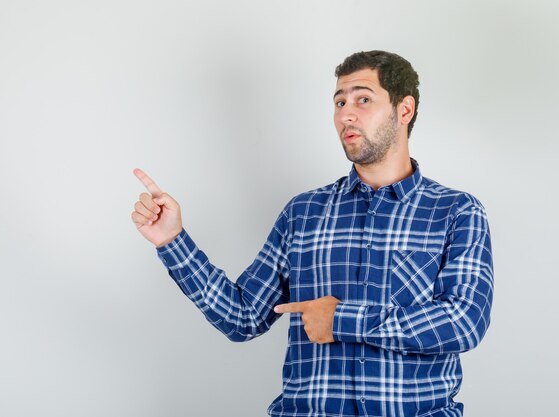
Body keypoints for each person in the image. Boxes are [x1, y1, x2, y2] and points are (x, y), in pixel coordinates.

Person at [131, 50, 494, 417]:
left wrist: (339, 320)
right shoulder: (303, 214)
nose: (345, 115)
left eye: (363, 99)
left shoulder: (455, 212)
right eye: (339, 102)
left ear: (404, 110)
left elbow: (464, 322)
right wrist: (171, 240)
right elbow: (242, 317)